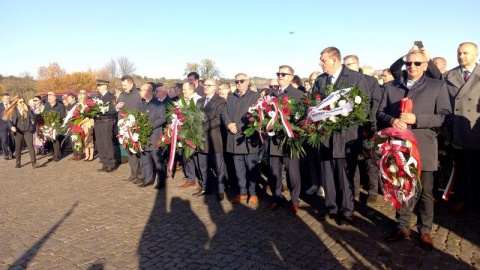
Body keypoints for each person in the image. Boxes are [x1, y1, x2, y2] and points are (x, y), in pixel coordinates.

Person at [378, 50, 451, 251]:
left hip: (424, 146)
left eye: (417, 63)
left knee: (426, 191)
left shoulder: (437, 86)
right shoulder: (391, 86)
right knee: (402, 189)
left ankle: (425, 230)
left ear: (425, 65)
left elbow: (445, 116)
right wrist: (392, 120)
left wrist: (417, 119)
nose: (412, 67)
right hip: (398, 148)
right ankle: (402, 227)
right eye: (408, 63)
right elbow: (380, 113)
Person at [312, 47, 369, 225]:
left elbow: (364, 106)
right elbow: (314, 104)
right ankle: (331, 207)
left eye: (323, 60)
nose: (320, 64)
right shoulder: (321, 80)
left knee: (345, 175)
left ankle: (347, 210)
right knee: (327, 174)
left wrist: (342, 119)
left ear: (335, 60)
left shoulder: (355, 78)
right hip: (325, 136)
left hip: (346, 135)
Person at [444, 42, 480, 212]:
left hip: (475, 128)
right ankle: (461, 197)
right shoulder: (448, 75)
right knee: (460, 167)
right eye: (459, 53)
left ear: (476, 54)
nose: (461, 56)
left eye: (466, 53)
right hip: (455, 129)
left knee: (476, 167)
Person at [343, 55, 383, 204]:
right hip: (350, 127)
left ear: (357, 64)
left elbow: (376, 101)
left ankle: (372, 190)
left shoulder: (370, 80)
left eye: (349, 64)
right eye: (344, 64)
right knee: (352, 159)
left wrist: (366, 120)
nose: (345, 67)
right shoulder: (344, 81)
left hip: (367, 125)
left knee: (369, 160)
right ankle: (354, 191)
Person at [266, 65, 304, 215]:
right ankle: (277, 198)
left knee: (293, 173)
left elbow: (302, 118)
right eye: (278, 73)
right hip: (274, 140)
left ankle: (294, 201)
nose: (280, 76)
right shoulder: (272, 94)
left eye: (283, 74)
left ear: (291, 77)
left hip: (290, 140)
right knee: (274, 171)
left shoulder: (298, 94)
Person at [224, 73, 261, 205]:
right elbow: (224, 112)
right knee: (238, 169)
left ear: (247, 82)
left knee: (251, 168)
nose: (239, 83)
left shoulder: (255, 96)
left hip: (248, 139)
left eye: (241, 81)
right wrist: (228, 124)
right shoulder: (230, 97)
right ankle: (242, 192)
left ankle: (253, 193)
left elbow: (252, 116)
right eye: (236, 81)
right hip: (233, 138)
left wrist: (237, 126)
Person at [193, 79, 228, 201]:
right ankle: (205, 187)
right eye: (205, 85)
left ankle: (220, 190)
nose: (205, 87)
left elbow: (217, 120)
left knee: (218, 166)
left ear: (215, 88)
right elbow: (194, 117)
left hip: (213, 138)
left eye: (209, 85)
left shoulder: (220, 101)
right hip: (201, 140)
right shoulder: (199, 101)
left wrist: (201, 128)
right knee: (203, 165)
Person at [137, 84, 167, 188]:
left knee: (157, 160)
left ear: (148, 92)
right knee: (145, 159)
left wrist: (150, 126)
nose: (139, 92)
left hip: (154, 135)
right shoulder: (142, 103)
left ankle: (161, 180)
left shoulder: (158, 104)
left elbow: (162, 119)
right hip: (143, 136)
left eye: (141, 90)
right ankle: (148, 179)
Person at [117, 75, 144, 182]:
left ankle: (142, 175)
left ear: (131, 83)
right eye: (122, 85)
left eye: (125, 85)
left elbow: (142, 110)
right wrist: (116, 107)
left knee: (138, 152)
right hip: (124, 129)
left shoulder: (138, 94)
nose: (123, 87)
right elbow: (118, 109)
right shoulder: (122, 95)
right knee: (129, 152)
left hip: (135, 128)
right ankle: (134, 174)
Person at [2, 96, 39, 168]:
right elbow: (9, 120)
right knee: (18, 147)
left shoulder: (27, 108)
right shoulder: (13, 110)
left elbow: (33, 117)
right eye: (20, 102)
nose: (22, 103)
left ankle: (34, 162)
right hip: (18, 131)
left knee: (30, 146)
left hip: (28, 130)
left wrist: (27, 110)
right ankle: (18, 162)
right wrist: (12, 126)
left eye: (23, 102)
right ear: (16, 103)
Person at [178, 82, 202, 188]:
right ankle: (190, 178)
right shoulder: (181, 101)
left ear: (192, 89)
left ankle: (202, 181)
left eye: (185, 90)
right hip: (183, 132)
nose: (183, 92)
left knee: (196, 158)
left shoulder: (198, 100)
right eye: (183, 89)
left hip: (194, 133)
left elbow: (199, 117)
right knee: (186, 156)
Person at [94, 79, 117, 173]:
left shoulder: (111, 97)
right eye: (98, 85)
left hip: (106, 122)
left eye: (100, 85)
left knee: (107, 143)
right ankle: (104, 162)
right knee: (100, 144)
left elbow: (113, 110)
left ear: (105, 86)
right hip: (98, 122)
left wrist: (103, 110)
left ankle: (111, 164)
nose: (98, 87)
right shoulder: (98, 97)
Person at [44, 90, 66, 162]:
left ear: (54, 99)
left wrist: (58, 122)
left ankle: (57, 155)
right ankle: (54, 154)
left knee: (56, 140)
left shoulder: (60, 105)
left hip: (57, 125)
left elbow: (62, 115)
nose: (48, 100)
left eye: (49, 99)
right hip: (49, 125)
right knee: (51, 140)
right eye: (48, 99)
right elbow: (44, 114)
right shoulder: (47, 105)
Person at [65, 93, 82, 160]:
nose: (68, 100)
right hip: (70, 124)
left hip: (76, 123)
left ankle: (79, 154)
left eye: (69, 98)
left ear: (73, 98)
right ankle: (75, 154)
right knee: (72, 139)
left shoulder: (77, 105)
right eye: (67, 98)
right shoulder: (68, 105)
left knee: (77, 139)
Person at [0, 93, 14, 160]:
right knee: (4, 140)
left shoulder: (12, 105)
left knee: (12, 140)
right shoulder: (0, 106)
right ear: (2, 98)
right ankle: (5, 154)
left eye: (9, 98)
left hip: (12, 125)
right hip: (2, 126)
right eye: (6, 98)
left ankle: (11, 154)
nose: (8, 99)